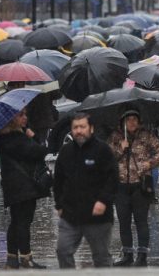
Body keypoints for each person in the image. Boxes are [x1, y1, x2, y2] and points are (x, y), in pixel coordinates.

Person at [54, 113, 119, 268]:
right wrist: (59, 205)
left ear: (91, 128)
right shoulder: (65, 151)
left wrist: (103, 201)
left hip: (98, 217)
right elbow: (58, 180)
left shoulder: (102, 150)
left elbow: (113, 179)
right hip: (70, 215)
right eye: (75, 127)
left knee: (101, 257)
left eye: (82, 127)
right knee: (63, 251)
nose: (79, 131)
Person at [108, 110, 159, 267]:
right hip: (121, 186)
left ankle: (142, 256)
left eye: (135, 119)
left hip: (140, 185)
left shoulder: (146, 136)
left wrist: (149, 163)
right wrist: (121, 148)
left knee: (141, 222)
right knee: (124, 222)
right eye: (129, 119)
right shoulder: (116, 137)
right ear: (123, 122)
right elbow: (107, 157)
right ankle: (127, 255)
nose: (132, 122)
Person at [0, 109, 49, 269]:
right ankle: (26, 258)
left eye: (26, 114)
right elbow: (40, 152)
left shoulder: (5, 138)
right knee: (23, 222)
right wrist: (33, 136)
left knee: (16, 221)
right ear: (11, 120)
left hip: (13, 186)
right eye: (21, 115)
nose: (25, 117)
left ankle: (12, 259)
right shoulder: (16, 139)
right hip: (23, 186)